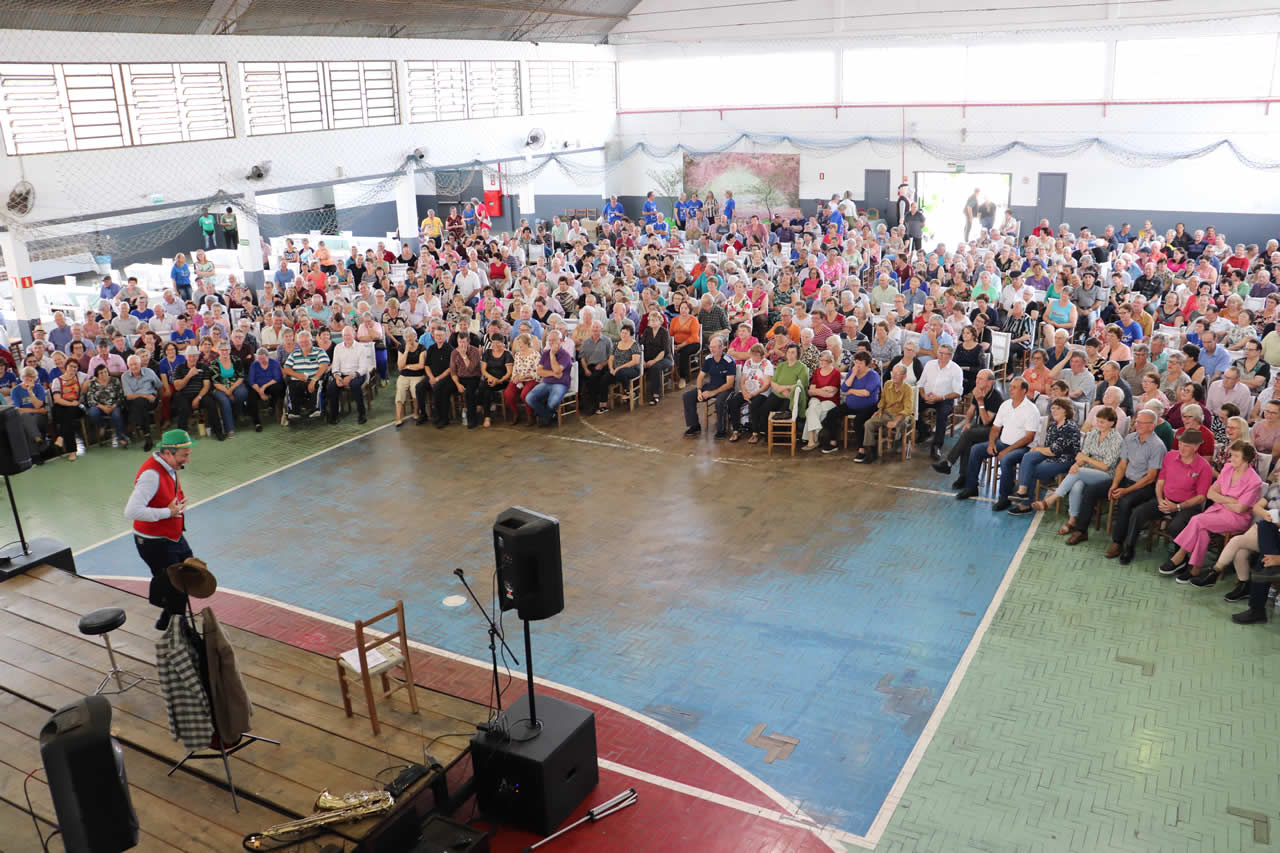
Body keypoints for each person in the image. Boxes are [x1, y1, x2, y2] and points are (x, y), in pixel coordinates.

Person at [1164, 440, 1263, 585]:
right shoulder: (1228, 468)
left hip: (1236, 519)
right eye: (1231, 455)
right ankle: (1195, 569)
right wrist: (1231, 500)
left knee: (1197, 520)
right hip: (1217, 510)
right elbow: (1210, 493)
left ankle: (1179, 556)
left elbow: (1240, 509)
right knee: (1202, 529)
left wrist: (1222, 499)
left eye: (1236, 456)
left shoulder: (1254, 481)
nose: (1231, 459)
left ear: (1246, 459)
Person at [124, 429, 195, 630]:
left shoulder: (169, 466)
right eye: (184, 455)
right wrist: (168, 512)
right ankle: (180, 630)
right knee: (176, 587)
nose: (187, 460)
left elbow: (164, 495)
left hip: (171, 536)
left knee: (187, 574)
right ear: (167, 453)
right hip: (154, 542)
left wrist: (177, 504)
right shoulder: (151, 475)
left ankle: (167, 620)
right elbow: (131, 511)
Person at [1033, 406, 1123, 538]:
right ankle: (1072, 520)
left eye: (1102, 422)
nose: (1098, 424)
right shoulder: (1093, 434)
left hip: (1107, 475)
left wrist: (1084, 461)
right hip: (1088, 470)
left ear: (1112, 423)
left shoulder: (1117, 439)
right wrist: (1076, 465)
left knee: (1078, 473)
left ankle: (1052, 499)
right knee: (1076, 485)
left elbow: (1105, 466)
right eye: (1097, 421)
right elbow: (1082, 456)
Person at [956, 377, 1040, 509]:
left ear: (1024, 391)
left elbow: (1029, 438)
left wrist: (1007, 450)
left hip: (1024, 448)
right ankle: (971, 487)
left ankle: (1004, 497)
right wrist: (991, 443)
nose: (1010, 390)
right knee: (976, 450)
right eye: (1010, 387)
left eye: (1014, 387)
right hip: (1003, 443)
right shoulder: (1005, 405)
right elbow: (995, 428)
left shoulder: (1031, 410)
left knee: (1006, 459)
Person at [1008, 397, 1082, 513]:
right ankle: (1022, 492)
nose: (1054, 411)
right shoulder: (1052, 425)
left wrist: (1037, 449)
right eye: (1053, 408)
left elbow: (1054, 450)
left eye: (1058, 408)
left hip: (1065, 459)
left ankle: (1025, 504)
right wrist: (1037, 450)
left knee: (1031, 470)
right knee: (1028, 456)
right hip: (1051, 455)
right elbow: (1048, 447)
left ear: (1066, 411)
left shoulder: (1070, 427)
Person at [917, 344, 965, 460]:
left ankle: (936, 446)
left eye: (944, 354)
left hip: (945, 398)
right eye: (940, 353)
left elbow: (958, 392)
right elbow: (921, 383)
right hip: (927, 396)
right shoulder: (930, 364)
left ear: (950, 356)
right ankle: (924, 430)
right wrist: (923, 395)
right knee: (912, 407)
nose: (941, 356)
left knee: (942, 415)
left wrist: (940, 398)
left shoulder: (956, 369)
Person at [682, 336, 736, 439]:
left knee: (719, 402)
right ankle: (694, 426)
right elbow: (700, 377)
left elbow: (729, 384)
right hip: (711, 385)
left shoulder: (729, 361)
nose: (712, 349)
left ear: (722, 348)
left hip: (725, 388)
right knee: (687, 396)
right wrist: (699, 391)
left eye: (714, 347)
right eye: (711, 347)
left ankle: (721, 430)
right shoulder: (708, 359)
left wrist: (712, 393)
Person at [526, 330, 574, 427]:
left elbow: (557, 370)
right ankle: (550, 415)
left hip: (561, 384)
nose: (551, 342)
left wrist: (552, 355)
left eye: (554, 340)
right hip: (546, 382)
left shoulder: (565, 355)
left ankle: (544, 415)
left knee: (552, 403)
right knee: (529, 398)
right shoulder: (545, 354)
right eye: (550, 340)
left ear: (560, 340)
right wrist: (553, 374)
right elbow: (539, 372)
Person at [283, 330, 330, 421]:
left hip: (314, 379)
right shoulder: (294, 354)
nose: (304, 344)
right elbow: (286, 368)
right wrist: (298, 375)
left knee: (317, 385)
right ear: (298, 343)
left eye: (306, 341)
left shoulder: (319, 351)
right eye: (301, 342)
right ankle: (294, 412)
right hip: (298, 380)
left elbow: (324, 366)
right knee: (291, 386)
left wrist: (313, 380)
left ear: (311, 341)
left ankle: (316, 410)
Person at [329, 326, 371, 425]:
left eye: (349, 335)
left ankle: (362, 414)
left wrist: (351, 376)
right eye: (344, 335)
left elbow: (363, 367)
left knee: (355, 385)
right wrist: (337, 377)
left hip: (357, 374)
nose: (347, 337)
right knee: (332, 387)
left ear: (354, 335)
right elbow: (335, 366)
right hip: (342, 375)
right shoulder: (338, 347)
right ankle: (334, 415)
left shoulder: (360, 347)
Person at [801, 350, 842, 451]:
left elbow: (831, 394)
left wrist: (816, 390)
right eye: (821, 360)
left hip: (831, 401)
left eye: (825, 360)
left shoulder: (836, 373)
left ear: (830, 361)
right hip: (816, 399)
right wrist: (823, 390)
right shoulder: (817, 372)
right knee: (813, 408)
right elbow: (810, 392)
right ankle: (813, 439)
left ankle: (811, 440)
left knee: (811, 411)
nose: (822, 362)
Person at [83, 363, 126, 447]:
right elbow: (90, 399)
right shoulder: (92, 383)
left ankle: (121, 438)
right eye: (101, 373)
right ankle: (102, 425)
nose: (104, 374)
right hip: (99, 406)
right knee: (92, 413)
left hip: (114, 405)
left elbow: (121, 396)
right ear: (97, 375)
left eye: (105, 372)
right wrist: (103, 407)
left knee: (116, 415)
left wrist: (113, 406)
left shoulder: (115, 380)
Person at [477, 334, 513, 428]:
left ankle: (480, 408)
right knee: (486, 388)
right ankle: (486, 416)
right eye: (493, 343)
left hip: (503, 380)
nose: (495, 345)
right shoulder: (487, 352)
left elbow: (509, 373)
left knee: (483, 387)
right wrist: (491, 378)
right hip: (489, 379)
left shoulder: (507, 354)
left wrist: (498, 381)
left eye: (498, 343)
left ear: (503, 343)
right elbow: (483, 370)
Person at [247, 347, 283, 432]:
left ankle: (272, 406)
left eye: (263, 358)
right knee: (251, 395)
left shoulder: (274, 363)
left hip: (270, 385)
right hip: (258, 387)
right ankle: (257, 423)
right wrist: (260, 392)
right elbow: (251, 381)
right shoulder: (254, 365)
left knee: (277, 387)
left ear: (267, 356)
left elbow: (277, 378)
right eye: (259, 359)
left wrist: (264, 387)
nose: (261, 361)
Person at [640, 310, 673, 406]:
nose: (652, 322)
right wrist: (643, 360)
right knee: (637, 364)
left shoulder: (664, 332)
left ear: (660, 321)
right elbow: (641, 346)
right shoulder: (647, 331)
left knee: (655, 367)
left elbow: (665, 350)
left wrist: (654, 361)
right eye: (651, 320)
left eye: (655, 320)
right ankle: (636, 392)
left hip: (664, 357)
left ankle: (655, 394)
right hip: (648, 357)